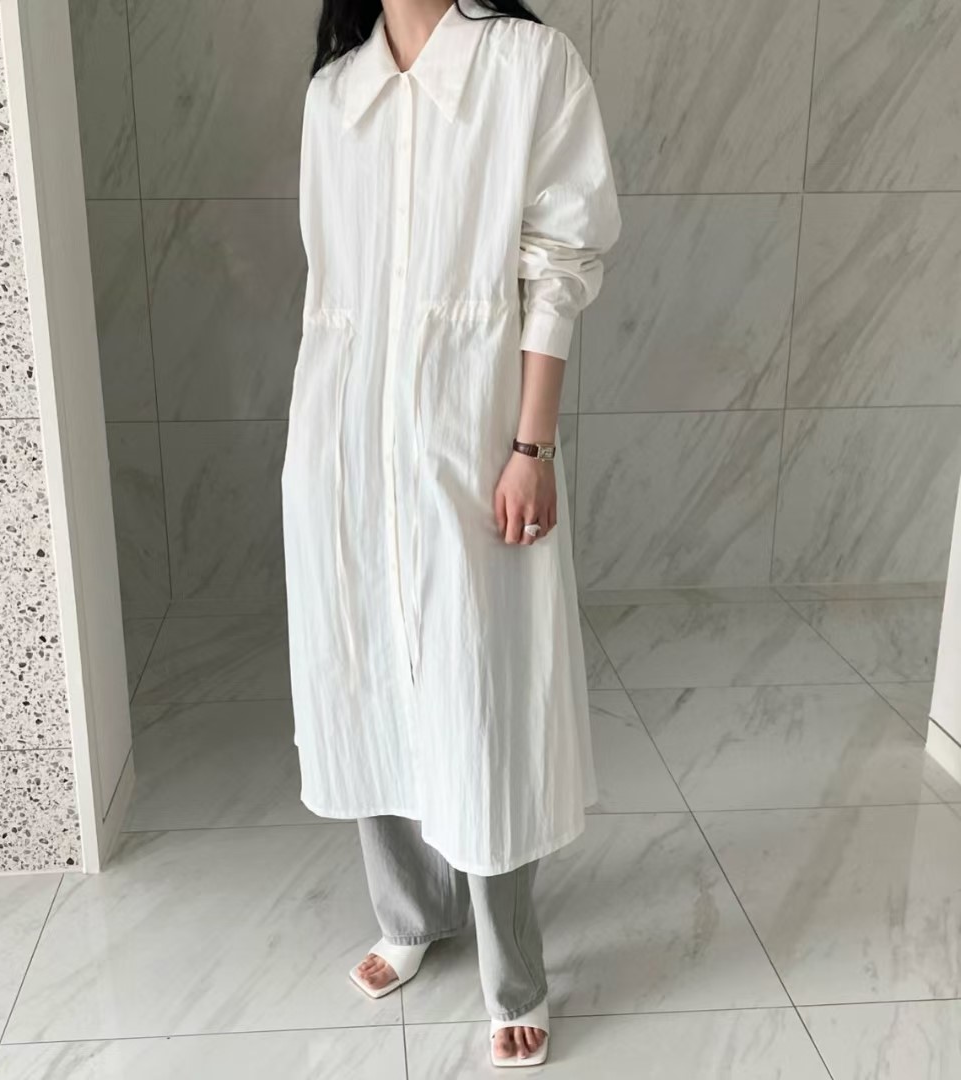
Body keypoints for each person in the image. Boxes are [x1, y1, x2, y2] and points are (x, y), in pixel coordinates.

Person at [281, 0, 621, 1066]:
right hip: (343, 447)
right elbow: (330, 292)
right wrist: (315, 458)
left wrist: (532, 445)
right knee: (366, 674)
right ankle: (410, 913)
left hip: (472, 443)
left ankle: (513, 969)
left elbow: (558, 264)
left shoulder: (529, 64)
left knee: (482, 695)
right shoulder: (335, 95)